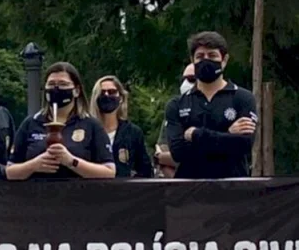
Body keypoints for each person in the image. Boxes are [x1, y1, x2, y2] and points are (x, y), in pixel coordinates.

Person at [165, 32, 257, 179]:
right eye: (200, 56)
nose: (205, 60)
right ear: (192, 60)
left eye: (212, 55)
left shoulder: (243, 98)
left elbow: (243, 145)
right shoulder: (177, 104)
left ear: (224, 60)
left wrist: (196, 135)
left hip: (232, 190)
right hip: (189, 192)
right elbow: (178, 152)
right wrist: (228, 133)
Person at [7, 62, 115, 180]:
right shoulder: (31, 123)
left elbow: (109, 171)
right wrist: (34, 165)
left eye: (63, 84)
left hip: (78, 195)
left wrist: (71, 161)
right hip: (36, 195)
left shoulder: (90, 125)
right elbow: (10, 171)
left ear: (76, 90)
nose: (56, 88)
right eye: (51, 84)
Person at [91, 75, 153, 178]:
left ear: (121, 98)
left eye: (112, 92)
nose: (106, 95)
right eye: (102, 92)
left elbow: (145, 170)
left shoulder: (133, 132)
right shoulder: (87, 130)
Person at [154, 63, 196, 178]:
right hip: (179, 187)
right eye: (184, 79)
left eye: (191, 79)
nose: (186, 84)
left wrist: (163, 157)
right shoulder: (174, 111)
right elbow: (162, 153)